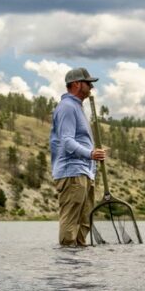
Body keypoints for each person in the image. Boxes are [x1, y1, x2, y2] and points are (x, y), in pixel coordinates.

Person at [50, 67, 106, 246]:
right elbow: (67, 141)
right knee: (71, 220)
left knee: (84, 221)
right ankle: (67, 266)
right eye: (88, 83)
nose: (91, 87)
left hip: (84, 173)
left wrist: (94, 159)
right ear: (76, 84)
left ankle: (80, 266)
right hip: (72, 173)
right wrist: (90, 153)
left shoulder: (76, 107)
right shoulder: (67, 107)